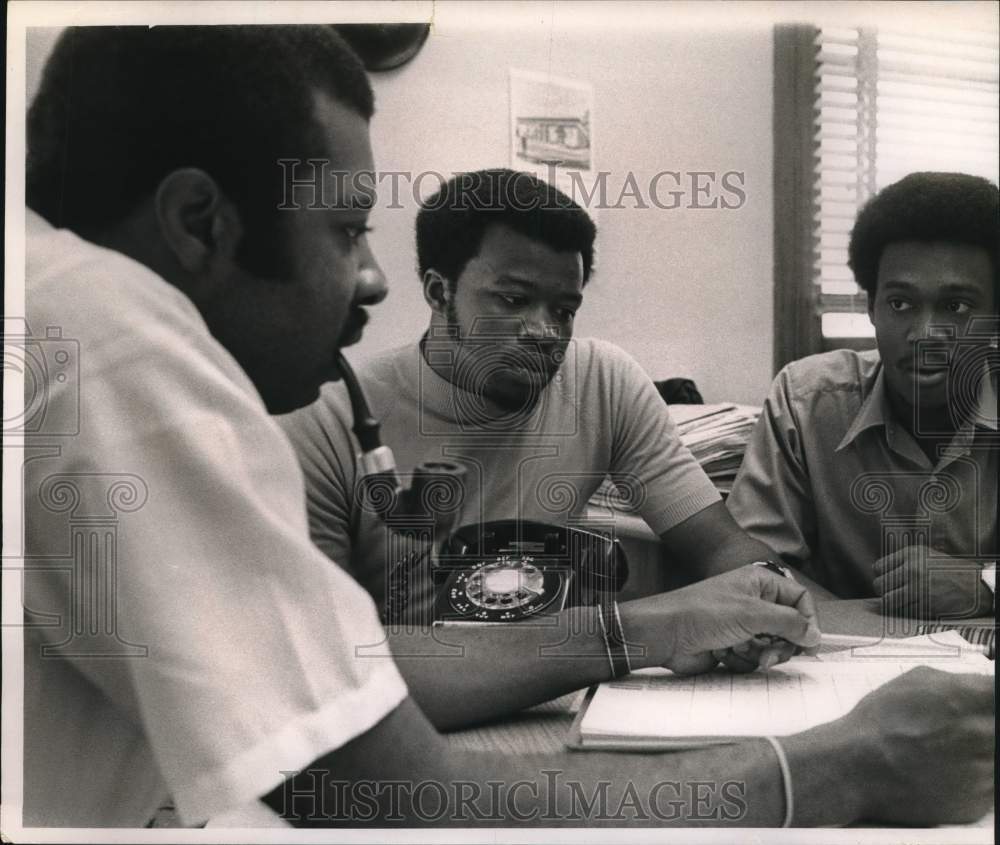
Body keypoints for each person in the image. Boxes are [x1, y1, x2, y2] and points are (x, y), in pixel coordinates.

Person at [19, 27, 993, 830]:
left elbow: (322, 706)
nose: (370, 280)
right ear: (198, 220)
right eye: (347, 230)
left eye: (563, 307)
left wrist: (705, 617)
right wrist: (837, 767)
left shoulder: (59, 314)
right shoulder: (115, 346)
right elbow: (372, 782)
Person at [280, 168, 841, 729]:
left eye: (564, 310)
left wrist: (767, 597)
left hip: (547, 707)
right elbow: (320, 673)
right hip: (405, 726)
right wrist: (649, 630)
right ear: (437, 289)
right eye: (513, 300)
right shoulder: (324, 420)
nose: (544, 332)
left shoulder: (601, 380)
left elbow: (719, 544)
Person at [728, 172, 998, 621]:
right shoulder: (805, 403)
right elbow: (749, 562)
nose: (924, 334)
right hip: (838, 657)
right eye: (900, 304)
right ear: (871, 307)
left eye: (956, 307)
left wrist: (985, 585)